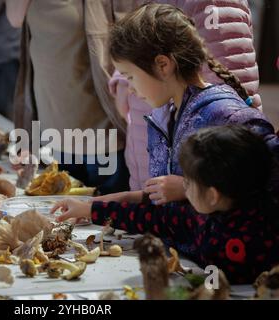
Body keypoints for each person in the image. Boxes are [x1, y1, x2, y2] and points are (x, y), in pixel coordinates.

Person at [93, 3, 279, 210]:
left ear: (163, 65)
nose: (130, 89)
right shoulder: (164, 119)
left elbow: (266, 182)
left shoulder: (224, 115)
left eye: (130, 77)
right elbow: (163, 209)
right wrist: (95, 208)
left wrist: (187, 187)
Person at [52, 125, 279, 284]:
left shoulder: (253, 238)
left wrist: (193, 281)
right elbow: (152, 218)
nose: (183, 187)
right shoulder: (204, 213)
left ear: (212, 196)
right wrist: (91, 209)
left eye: (188, 182)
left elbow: (226, 285)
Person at [6, 0, 136, 195]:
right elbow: (14, 18)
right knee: (65, 220)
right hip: (56, 137)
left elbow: (138, 37)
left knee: (110, 220)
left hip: (104, 136)